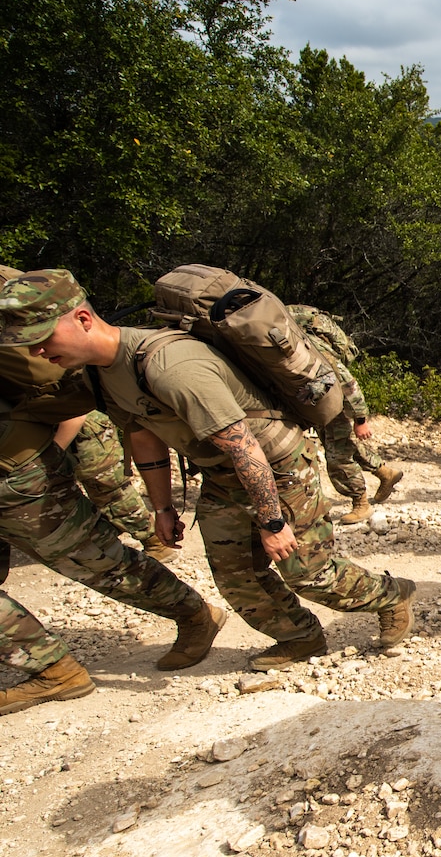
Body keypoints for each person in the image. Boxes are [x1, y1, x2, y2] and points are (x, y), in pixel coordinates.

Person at [13, 269, 415, 672]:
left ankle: (392, 595)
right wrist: (162, 508)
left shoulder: (172, 368)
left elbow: (247, 448)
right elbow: (143, 434)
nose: (37, 353)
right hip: (224, 474)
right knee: (237, 575)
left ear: (83, 319)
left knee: (309, 573)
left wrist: (272, 522)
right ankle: (300, 636)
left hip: (277, 466)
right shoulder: (101, 373)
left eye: (42, 339)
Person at [0, 287, 226, 713]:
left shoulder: (21, 312)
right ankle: (50, 668)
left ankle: (194, 613)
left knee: (97, 561)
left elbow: (66, 389)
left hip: (17, 473)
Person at [289, 307, 404, 526]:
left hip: (334, 401)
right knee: (342, 445)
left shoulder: (309, 346)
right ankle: (386, 473)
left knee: (337, 457)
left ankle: (361, 504)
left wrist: (360, 419)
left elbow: (347, 381)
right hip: (322, 402)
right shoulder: (291, 342)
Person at [61, 410, 174, 561]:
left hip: (84, 431)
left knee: (110, 492)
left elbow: (75, 412)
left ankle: (157, 543)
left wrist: (54, 451)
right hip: (64, 429)